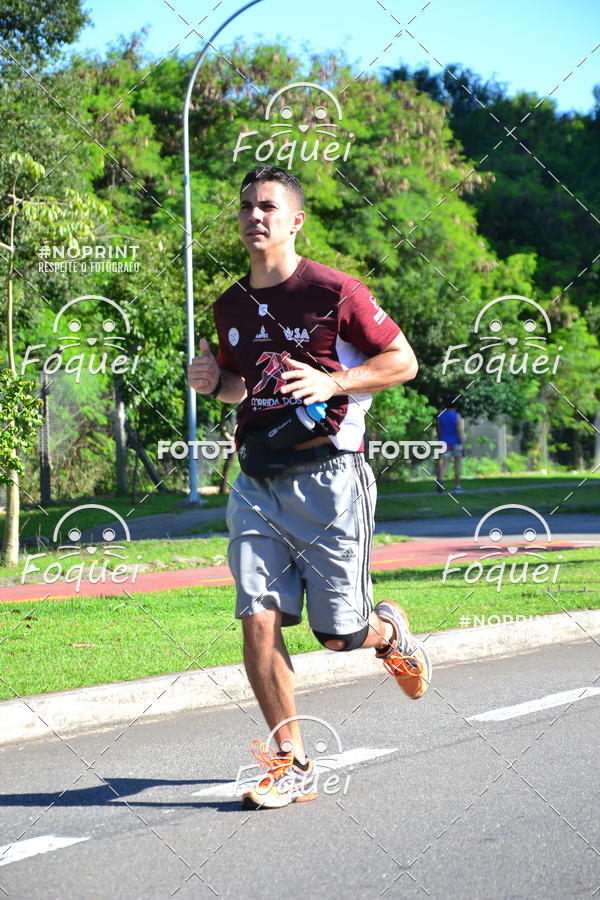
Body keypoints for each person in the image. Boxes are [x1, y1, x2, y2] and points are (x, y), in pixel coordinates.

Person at [187, 166, 432, 810]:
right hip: (256, 481)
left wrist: (333, 383)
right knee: (258, 618)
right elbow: (248, 385)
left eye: (268, 206)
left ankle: (388, 634)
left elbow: (401, 362)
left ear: (295, 220)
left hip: (330, 478)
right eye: (245, 207)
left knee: (338, 635)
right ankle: (291, 761)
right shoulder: (230, 305)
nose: (253, 216)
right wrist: (216, 382)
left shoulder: (335, 291)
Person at [436, 403, 465, 493]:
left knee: (444, 464)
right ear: (455, 406)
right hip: (456, 443)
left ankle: (440, 480)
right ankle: (457, 486)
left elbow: (439, 430)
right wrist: (463, 445)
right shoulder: (457, 416)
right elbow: (459, 430)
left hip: (444, 443)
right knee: (457, 465)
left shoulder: (440, 416)